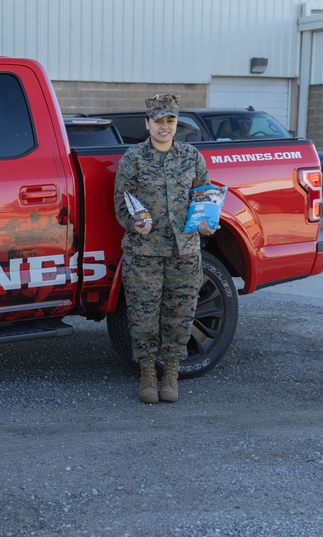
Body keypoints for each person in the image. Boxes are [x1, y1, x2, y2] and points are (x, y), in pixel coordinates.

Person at [113, 94, 216, 404]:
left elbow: (204, 197)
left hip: (184, 251)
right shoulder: (133, 158)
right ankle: (147, 373)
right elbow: (121, 202)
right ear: (148, 123)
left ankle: (170, 373)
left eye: (170, 121)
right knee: (143, 315)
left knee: (180, 313)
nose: (164, 126)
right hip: (144, 251)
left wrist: (207, 224)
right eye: (158, 121)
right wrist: (134, 224)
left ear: (176, 124)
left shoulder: (192, 157)